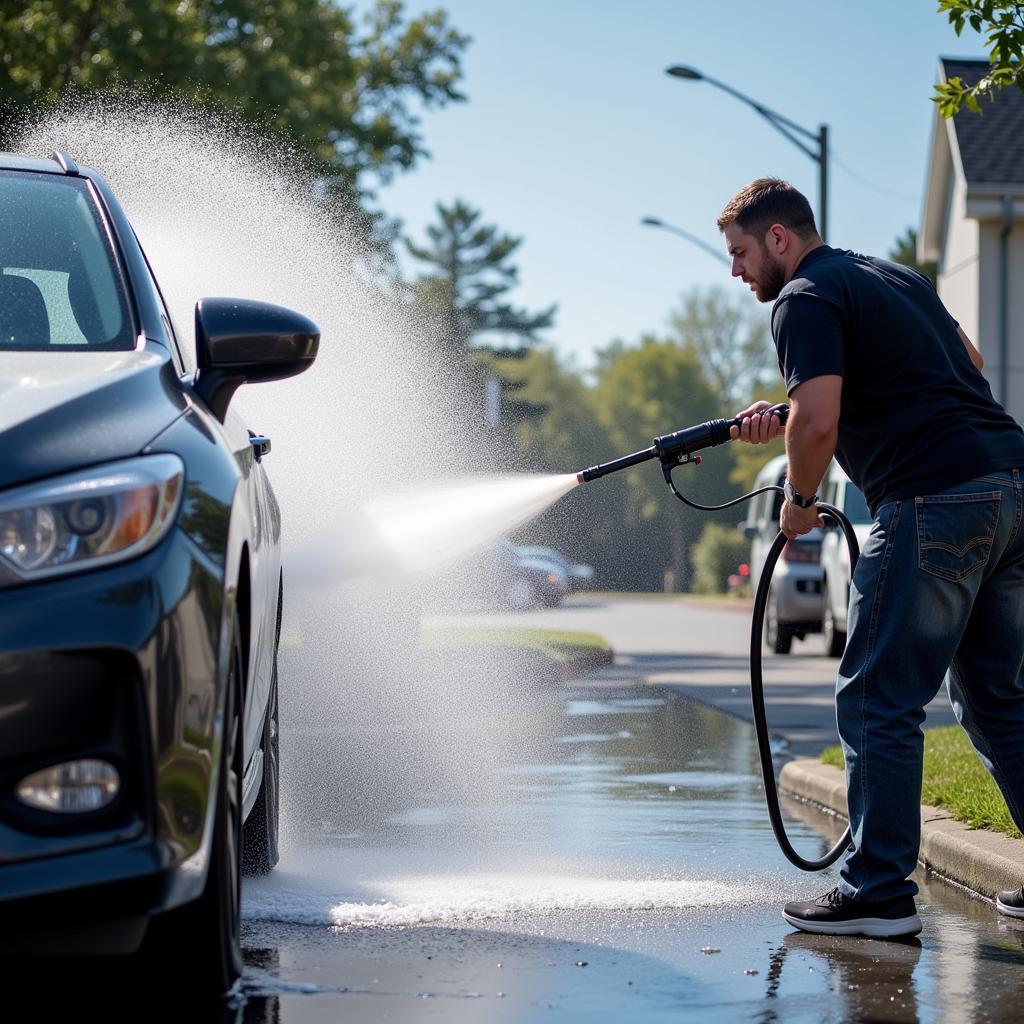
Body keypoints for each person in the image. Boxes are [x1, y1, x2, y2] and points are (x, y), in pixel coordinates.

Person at [719, 177, 1024, 937]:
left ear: (780, 238)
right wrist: (792, 414)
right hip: (1012, 485)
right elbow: (968, 362)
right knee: (997, 700)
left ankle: (878, 892)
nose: (735, 271)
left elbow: (819, 422)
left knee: (876, 698)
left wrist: (796, 498)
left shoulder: (803, 297)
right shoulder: (895, 278)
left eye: (740, 252)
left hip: (931, 498)